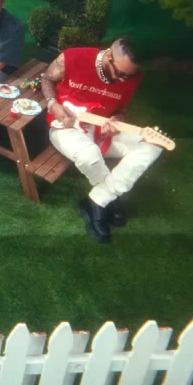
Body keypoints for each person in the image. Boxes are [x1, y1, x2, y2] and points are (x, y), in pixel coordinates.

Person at [37, 35, 163, 244]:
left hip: (102, 130)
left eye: (128, 76)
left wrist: (117, 121)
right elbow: (47, 79)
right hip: (66, 126)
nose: (122, 80)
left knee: (152, 145)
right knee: (89, 155)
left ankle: (99, 199)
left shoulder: (133, 76)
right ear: (108, 56)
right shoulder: (73, 58)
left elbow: (121, 110)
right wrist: (53, 104)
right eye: (120, 73)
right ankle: (110, 199)